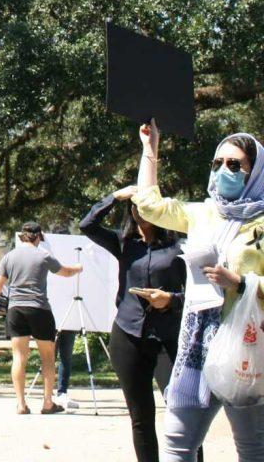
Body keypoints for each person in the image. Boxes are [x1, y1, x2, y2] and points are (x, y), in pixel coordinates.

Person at [119, 120, 264, 460]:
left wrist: (241, 283)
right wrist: (150, 150)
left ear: (254, 171)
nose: (224, 170)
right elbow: (150, 206)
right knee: (176, 442)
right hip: (197, 343)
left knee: (252, 448)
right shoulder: (202, 213)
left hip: (245, 346)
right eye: (218, 163)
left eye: (235, 165)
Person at [81, 178, 185, 462]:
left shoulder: (179, 245)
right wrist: (116, 195)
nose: (140, 211)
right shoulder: (124, 243)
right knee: (140, 417)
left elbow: (196, 295)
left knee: (182, 412)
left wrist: (171, 300)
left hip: (169, 337)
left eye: (146, 205)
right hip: (128, 334)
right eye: (135, 206)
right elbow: (86, 225)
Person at [0, 221, 82, 415]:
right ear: (39, 236)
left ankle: (21, 404)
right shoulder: (43, 255)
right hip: (39, 309)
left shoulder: (9, 257)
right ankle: (48, 403)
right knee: (48, 358)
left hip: (16, 309)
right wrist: (78, 268)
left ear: (22, 237)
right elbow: (65, 272)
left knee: (19, 357)